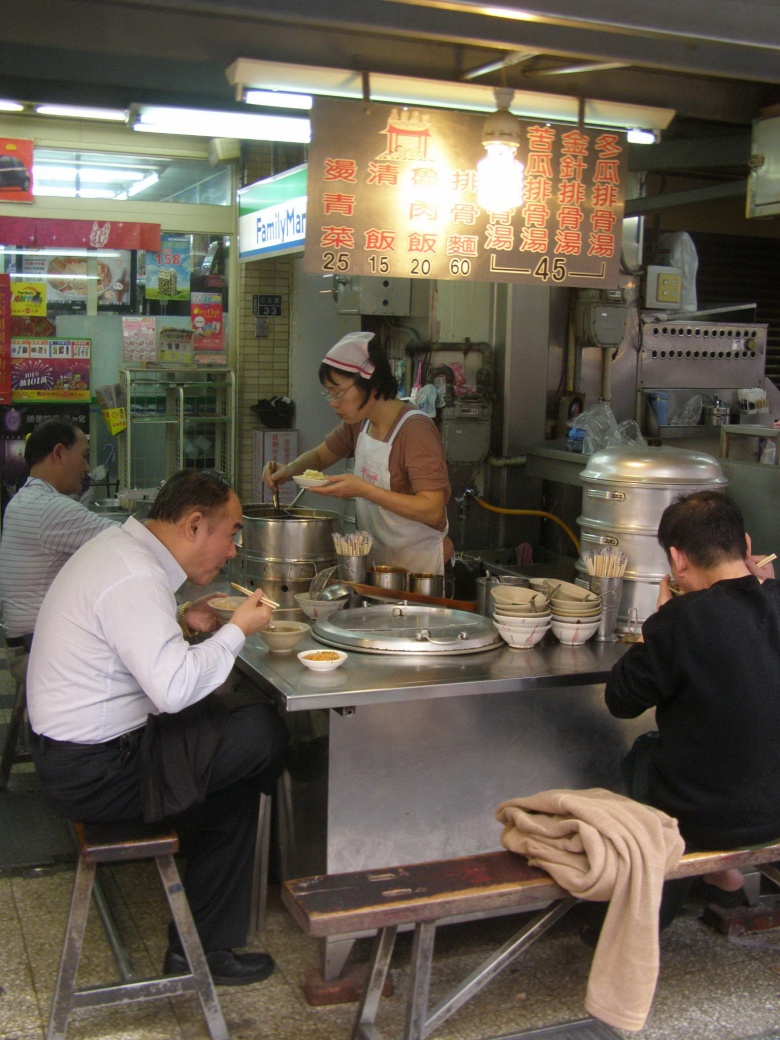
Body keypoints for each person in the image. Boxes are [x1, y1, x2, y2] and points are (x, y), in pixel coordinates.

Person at [26, 469, 289, 986]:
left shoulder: (121, 553)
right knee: (262, 732)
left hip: (76, 756)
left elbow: (129, 638)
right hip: (96, 771)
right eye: (231, 532)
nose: (234, 549)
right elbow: (171, 689)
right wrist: (237, 629)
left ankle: (200, 952)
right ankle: (257, 896)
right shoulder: (134, 575)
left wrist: (179, 616)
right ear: (194, 525)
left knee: (233, 789)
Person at [603, 489, 780, 922]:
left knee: (643, 756)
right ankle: (727, 881)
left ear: (678, 561)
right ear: (748, 546)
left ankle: (646, 913)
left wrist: (655, 626)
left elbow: (620, 701)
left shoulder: (680, 621)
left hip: (708, 817)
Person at [263, 331, 453, 575]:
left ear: (371, 385)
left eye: (338, 392)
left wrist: (363, 489)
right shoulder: (360, 423)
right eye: (328, 393)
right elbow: (321, 456)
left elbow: (432, 508)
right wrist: (288, 471)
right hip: (379, 566)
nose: (332, 401)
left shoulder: (415, 430)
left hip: (422, 573)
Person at [0, 418, 116, 651]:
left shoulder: (26, 499)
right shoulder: (48, 509)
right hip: (37, 647)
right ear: (59, 453)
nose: (87, 468)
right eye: (84, 456)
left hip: (29, 640)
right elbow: (125, 539)